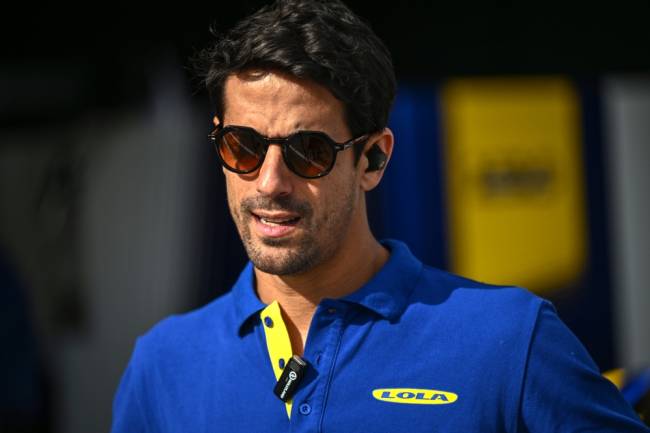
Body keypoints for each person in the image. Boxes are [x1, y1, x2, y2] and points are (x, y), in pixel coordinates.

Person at [110, 1, 649, 431]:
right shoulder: (162, 365)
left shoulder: (511, 339)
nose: (270, 181)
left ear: (374, 158)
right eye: (243, 146)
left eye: (309, 151)